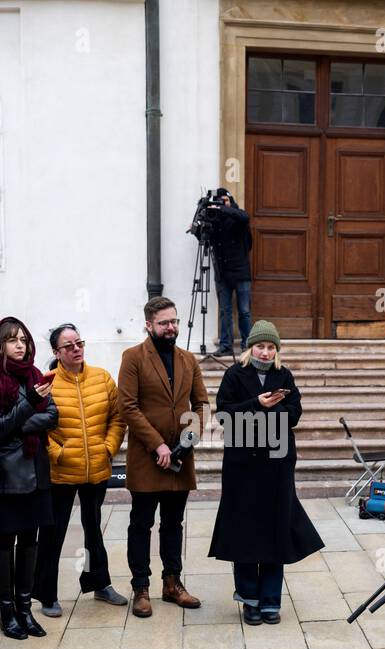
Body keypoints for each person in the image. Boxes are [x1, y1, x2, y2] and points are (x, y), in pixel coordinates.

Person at [208, 321, 323, 624]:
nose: (266, 351)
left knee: (276, 528)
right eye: (261, 345)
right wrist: (256, 404)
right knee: (245, 529)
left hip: (276, 464)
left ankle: (271, 599)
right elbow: (223, 413)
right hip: (243, 465)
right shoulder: (234, 374)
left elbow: (295, 413)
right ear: (251, 347)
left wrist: (273, 410)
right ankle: (249, 599)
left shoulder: (283, 375)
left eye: (271, 347)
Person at [117, 296, 209, 617]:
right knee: (141, 523)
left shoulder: (188, 359)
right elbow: (127, 406)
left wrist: (187, 440)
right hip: (148, 457)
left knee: (173, 523)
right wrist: (158, 445)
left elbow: (201, 405)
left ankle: (172, 584)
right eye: (164, 323)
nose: (171, 328)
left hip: (180, 458)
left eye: (174, 321)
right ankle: (140, 588)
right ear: (149, 325)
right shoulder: (132, 358)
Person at [33, 322, 128, 617]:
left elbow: (117, 418)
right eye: (68, 346)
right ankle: (46, 594)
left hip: (96, 468)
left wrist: (108, 447)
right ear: (56, 352)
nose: (76, 349)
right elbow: (37, 426)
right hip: (60, 471)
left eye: (79, 343)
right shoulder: (46, 383)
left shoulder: (102, 378)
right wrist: (56, 452)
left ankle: (98, 582)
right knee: (53, 532)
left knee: (93, 529)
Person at [0, 317, 58, 640]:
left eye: (23, 339)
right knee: (7, 539)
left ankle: (25, 609)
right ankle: (7, 611)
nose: (20, 344)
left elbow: (53, 416)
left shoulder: (36, 376)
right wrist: (29, 406)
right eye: (12, 340)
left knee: (30, 539)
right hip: (4, 474)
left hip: (35, 469)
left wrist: (19, 419)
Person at [210, 188, 253, 357]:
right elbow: (206, 238)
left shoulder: (238, 216)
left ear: (230, 201)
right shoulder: (215, 221)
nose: (221, 204)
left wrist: (222, 208)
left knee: (244, 311)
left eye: (224, 201)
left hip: (241, 272)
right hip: (222, 273)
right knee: (225, 311)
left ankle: (247, 345)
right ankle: (226, 345)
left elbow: (244, 217)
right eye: (218, 201)